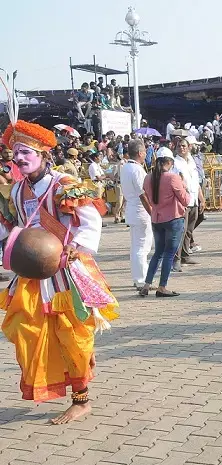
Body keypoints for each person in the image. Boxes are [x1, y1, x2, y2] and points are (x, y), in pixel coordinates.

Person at [0, 116, 118, 424]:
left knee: (72, 334)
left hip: (65, 270)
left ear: (44, 154)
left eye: (27, 151)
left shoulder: (64, 185)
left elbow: (90, 219)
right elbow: (13, 227)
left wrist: (77, 248)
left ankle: (81, 400)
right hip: (31, 272)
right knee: (28, 331)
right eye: (16, 152)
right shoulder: (14, 191)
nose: (20, 157)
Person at [140, 150, 190, 297]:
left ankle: (147, 284)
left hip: (156, 219)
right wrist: (184, 186)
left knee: (158, 253)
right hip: (173, 219)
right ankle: (162, 287)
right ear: (169, 163)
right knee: (169, 254)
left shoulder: (148, 178)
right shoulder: (172, 178)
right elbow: (185, 200)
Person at [121, 139, 153, 290]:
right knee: (142, 248)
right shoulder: (137, 170)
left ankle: (138, 278)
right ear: (140, 153)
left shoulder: (126, 167)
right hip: (141, 211)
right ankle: (141, 280)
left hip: (133, 210)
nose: (146, 154)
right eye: (145, 152)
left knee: (136, 247)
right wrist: (152, 212)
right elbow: (143, 194)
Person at [170, 138, 204, 269]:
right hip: (183, 202)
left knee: (189, 231)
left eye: (183, 146)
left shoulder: (191, 162)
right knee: (180, 231)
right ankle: (176, 259)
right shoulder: (175, 163)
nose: (181, 148)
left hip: (194, 200)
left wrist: (201, 199)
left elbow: (196, 182)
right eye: (179, 146)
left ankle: (185, 256)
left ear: (189, 147)